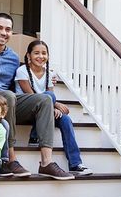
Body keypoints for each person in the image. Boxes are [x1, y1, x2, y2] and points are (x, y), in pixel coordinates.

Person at [0, 13, 74, 180]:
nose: (3, 32)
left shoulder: (13, 57)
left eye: (8, 29)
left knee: (45, 99)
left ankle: (46, 162)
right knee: (8, 95)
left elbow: (15, 87)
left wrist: (55, 102)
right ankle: (10, 158)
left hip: (9, 101)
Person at [15, 40, 92, 175]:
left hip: (43, 114)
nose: (41, 56)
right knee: (49, 95)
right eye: (36, 53)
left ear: (48, 56)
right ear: (28, 56)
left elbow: (50, 98)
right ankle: (34, 136)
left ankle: (75, 163)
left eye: (44, 53)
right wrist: (54, 105)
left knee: (65, 119)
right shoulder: (22, 71)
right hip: (26, 111)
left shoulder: (49, 74)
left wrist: (54, 107)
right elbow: (33, 97)